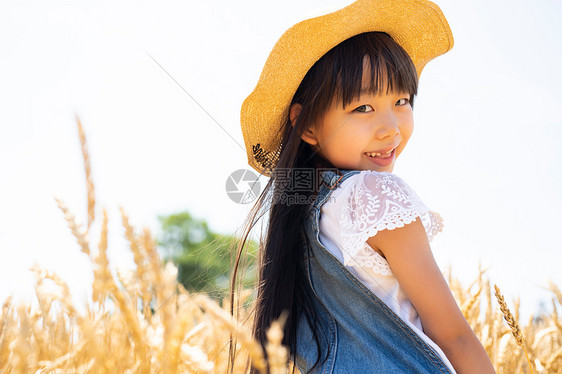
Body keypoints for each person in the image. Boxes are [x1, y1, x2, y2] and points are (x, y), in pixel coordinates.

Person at [233, 0, 496, 373]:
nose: (391, 127)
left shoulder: (302, 213)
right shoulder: (375, 194)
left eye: (401, 100)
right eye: (362, 108)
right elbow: (453, 335)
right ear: (306, 125)